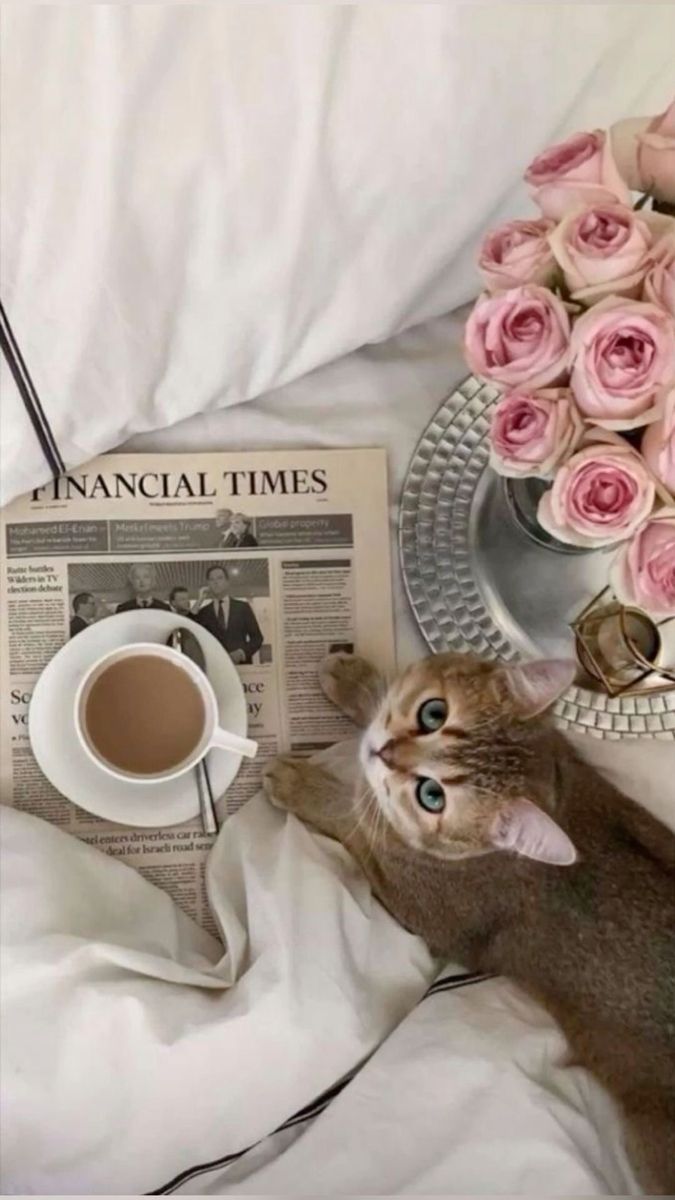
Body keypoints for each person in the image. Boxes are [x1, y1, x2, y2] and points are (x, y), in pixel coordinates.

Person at [194, 565, 263, 664]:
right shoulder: (204, 612)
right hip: (216, 666)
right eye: (211, 579)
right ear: (208, 584)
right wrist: (200, 600)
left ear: (227, 582)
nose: (216, 582)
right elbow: (188, 630)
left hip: (242, 667)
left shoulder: (242, 607)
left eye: (220, 578)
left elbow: (257, 638)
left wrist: (241, 653)